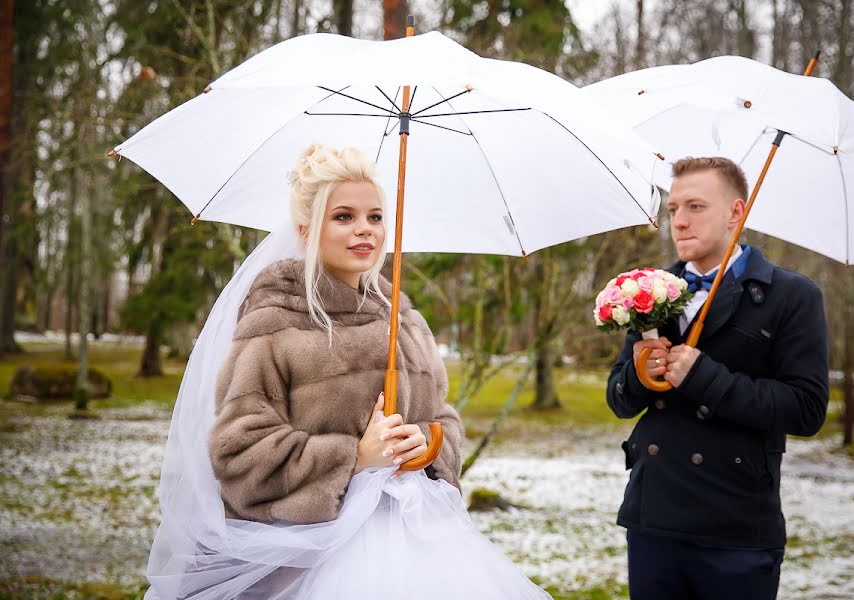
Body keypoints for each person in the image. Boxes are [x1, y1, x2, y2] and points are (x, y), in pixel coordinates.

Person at [143, 145, 550, 599]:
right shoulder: (275, 320)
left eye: (375, 217)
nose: (365, 230)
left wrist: (428, 442)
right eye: (343, 217)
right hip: (306, 565)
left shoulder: (405, 320)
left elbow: (443, 416)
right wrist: (354, 459)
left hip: (417, 548)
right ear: (306, 229)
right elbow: (239, 451)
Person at [606, 157, 829, 600]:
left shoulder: (793, 295)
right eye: (673, 210)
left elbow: (806, 410)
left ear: (736, 212)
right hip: (654, 517)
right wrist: (640, 375)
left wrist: (704, 377)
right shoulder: (647, 289)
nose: (680, 222)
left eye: (695, 207)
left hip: (737, 526)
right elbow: (618, 400)